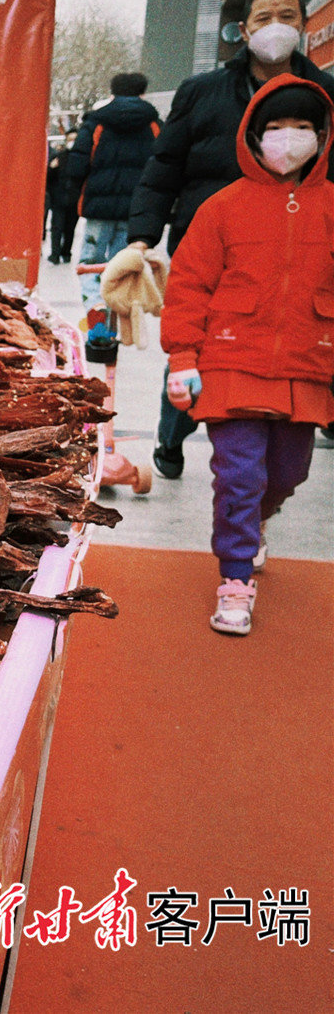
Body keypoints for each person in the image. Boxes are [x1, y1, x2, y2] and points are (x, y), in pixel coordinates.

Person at [126, 0, 334, 480]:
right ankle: (173, 436)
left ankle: (301, 427)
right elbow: (164, 167)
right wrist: (141, 236)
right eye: (264, 18)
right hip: (211, 239)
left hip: (297, 245)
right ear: (243, 31)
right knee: (195, 337)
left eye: (287, 15)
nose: (276, 27)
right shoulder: (203, 92)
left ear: (304, 26)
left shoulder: (325, 96)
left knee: (296, 334)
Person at [159, 75, 332, 635]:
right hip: (230, 363)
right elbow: (188, 286)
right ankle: (235, 576)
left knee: (288, 472)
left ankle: (256, 521)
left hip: (307, 367)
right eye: (276, 128)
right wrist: (183, 357)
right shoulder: (222, 207)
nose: (289, 138)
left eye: (302, 127)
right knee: (238, 474)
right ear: (253, 138)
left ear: (322, 136)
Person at [65, 74, 161, 363]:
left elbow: (78, 161)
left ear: (112, 91)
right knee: (120, 266)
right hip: (135, 210)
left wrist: (72, 195)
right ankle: (116, 323)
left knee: (89, 263)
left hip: (98, 209)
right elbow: (163, 163)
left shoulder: (97, 122)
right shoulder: (154, 124)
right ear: (143, 92)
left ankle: (97, 322)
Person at [44, 131, 78, 263]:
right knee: (57, 227)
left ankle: (66, 252)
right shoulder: (58, 157)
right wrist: (51, 169)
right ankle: (55, 254)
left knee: (70, 228)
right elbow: (48, 179)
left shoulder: (82, 159)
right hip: (59, 198)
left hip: (73, 198)